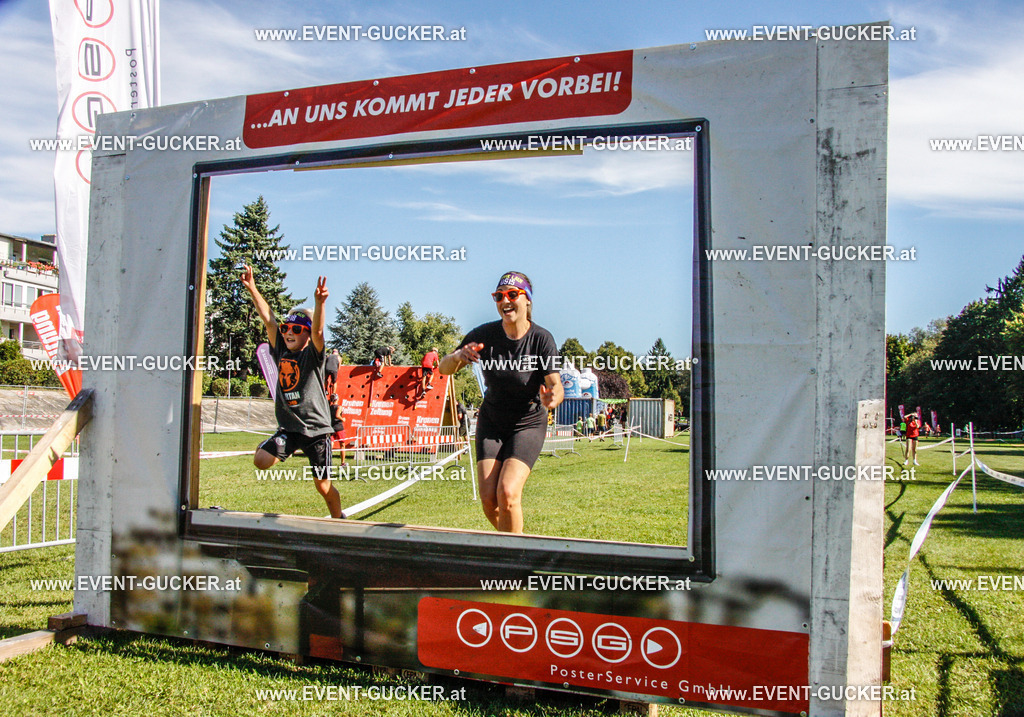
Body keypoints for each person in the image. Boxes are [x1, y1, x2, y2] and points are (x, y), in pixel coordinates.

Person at [439, 271, 563, 534]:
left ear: (527, 299)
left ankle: (515, 555)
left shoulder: (541, 339)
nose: (505, 301)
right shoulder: (484, 334)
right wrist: (459, 356)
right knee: (488, 500)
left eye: (512, 294)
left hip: (527, 423)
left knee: (507, 493)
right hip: (492, 421)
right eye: (499, 296)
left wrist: (552, 398)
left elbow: (556, 385)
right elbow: (444, 368)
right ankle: (516, 544)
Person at [241, 266, 344, 519]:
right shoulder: (281, 351)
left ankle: (339, 518)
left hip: (316, 431)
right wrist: (252, 288)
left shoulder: (313, 356)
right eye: (287, 328)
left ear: (306, 336)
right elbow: (269, 320)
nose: (289, 332)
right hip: (290, 429)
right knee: (261, 460)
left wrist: (320, 303)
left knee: (323, 487)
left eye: (297, 330)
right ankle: (283, 445)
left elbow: (318, 332)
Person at [328, 392, 347, 467]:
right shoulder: (339, 407)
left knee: (330, 445)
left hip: (332, 427)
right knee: (342, 445)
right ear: (337, 399)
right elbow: (337, 415)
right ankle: (343, 462)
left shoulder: (329, 407)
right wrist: (343, 419)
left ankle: (328, 461)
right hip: (339, 427)